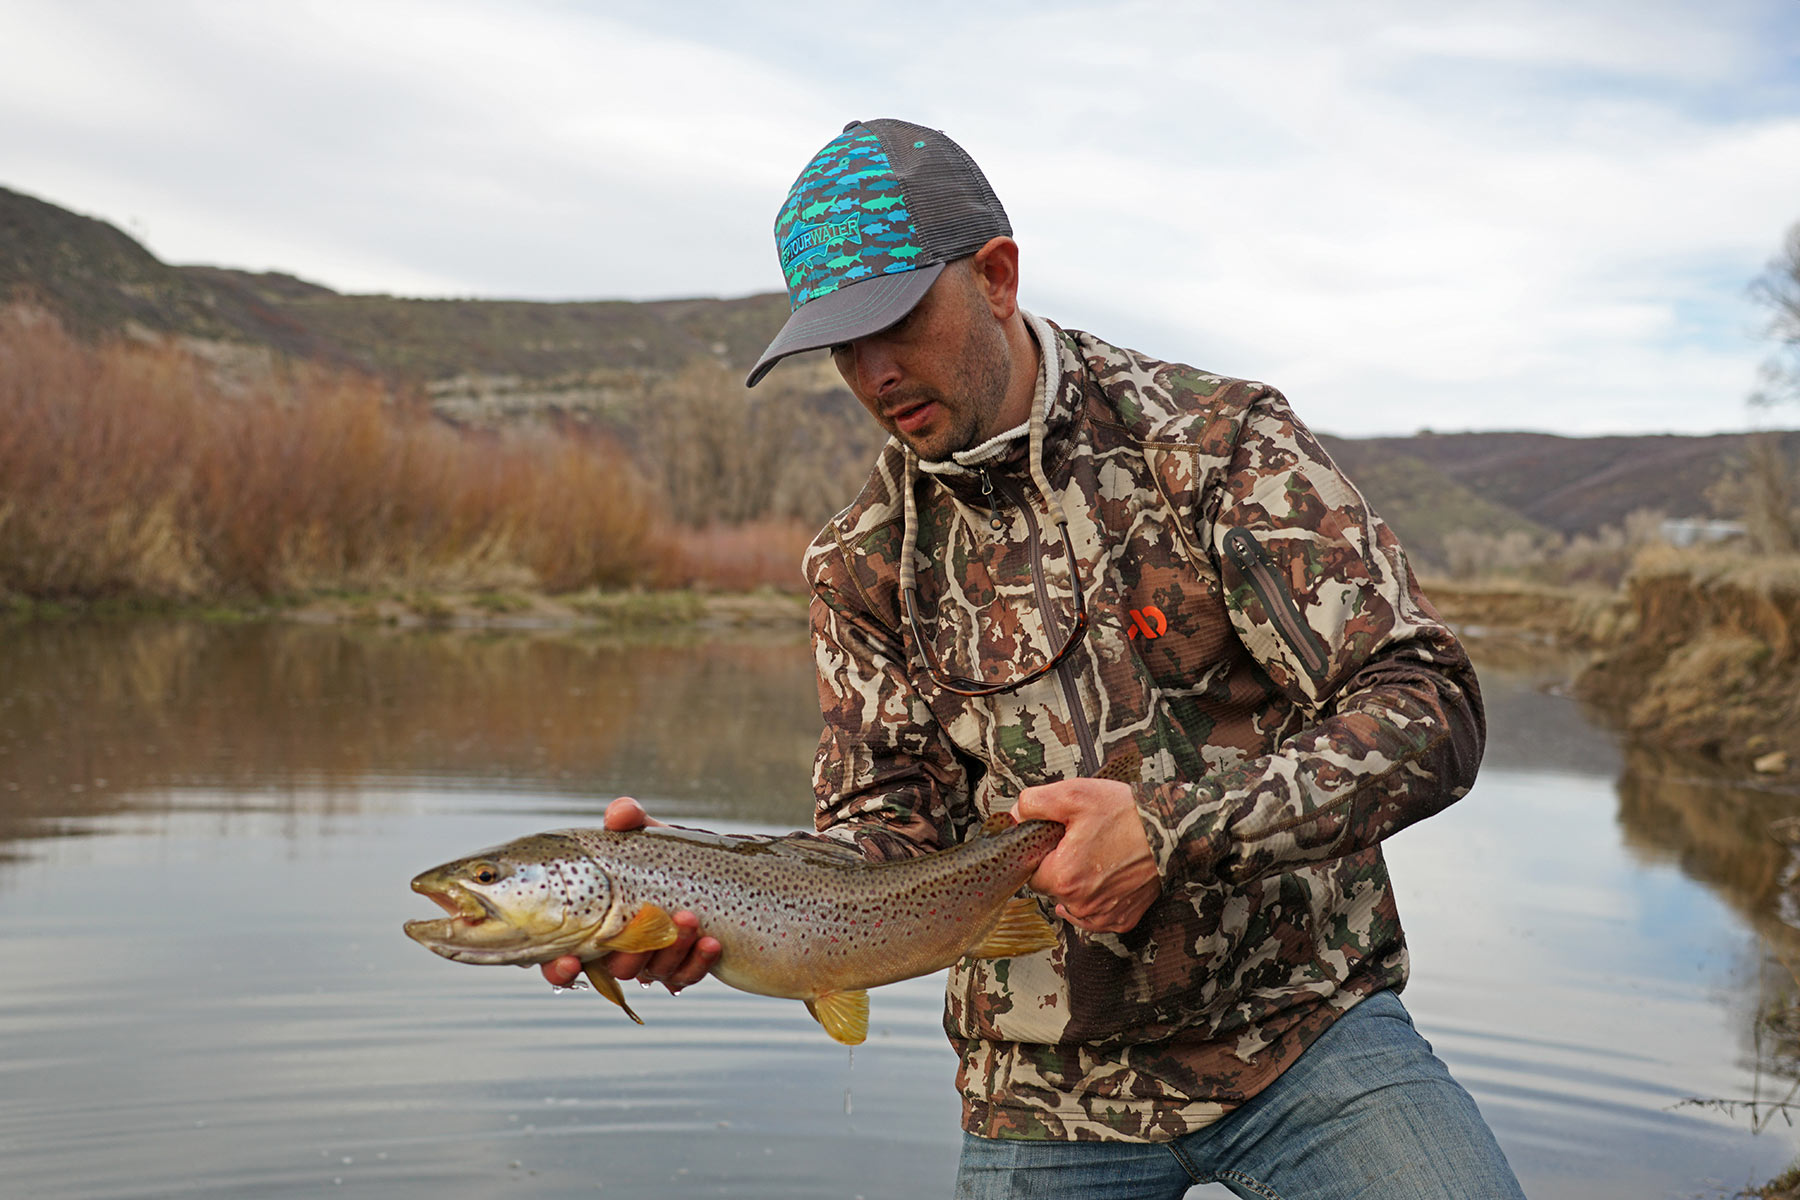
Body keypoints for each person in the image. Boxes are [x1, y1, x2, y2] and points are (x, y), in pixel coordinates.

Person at [545, 118, 1526, 1200]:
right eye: (840, 346)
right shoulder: (862, 560)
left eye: (897, 323)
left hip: (1305, 1030)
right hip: (1043, 1089)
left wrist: (1170, 836)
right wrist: (702, 902)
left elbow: (1427, 703)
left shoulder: (1218, 446)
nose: (872, 374)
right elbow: (887, 830)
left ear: (998, 276)